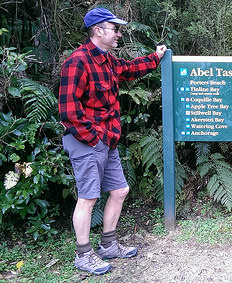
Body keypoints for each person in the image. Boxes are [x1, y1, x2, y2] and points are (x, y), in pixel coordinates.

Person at [58, 7, 167, 275]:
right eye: (114, 29)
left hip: (107, 139)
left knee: (119, 191)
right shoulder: (77, 62)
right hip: (87, 141)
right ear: (98, 31)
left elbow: (130, 69)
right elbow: (69, 113)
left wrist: (156, 57)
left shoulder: (107, 60)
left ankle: (108, 245)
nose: (118, 34)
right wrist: (93, 140)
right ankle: (83, 255)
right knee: (88, 198)